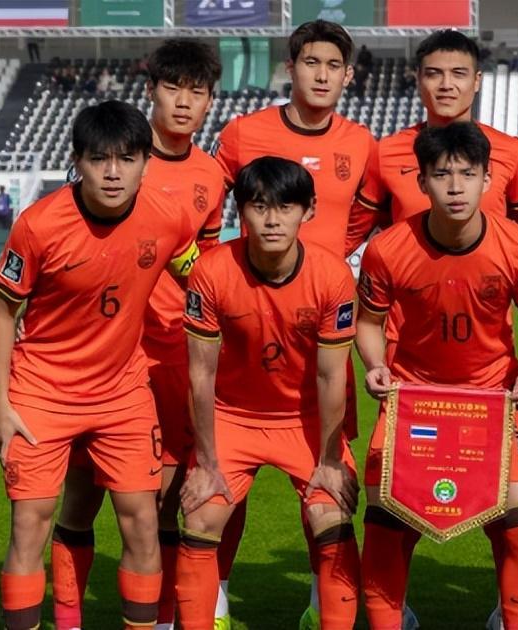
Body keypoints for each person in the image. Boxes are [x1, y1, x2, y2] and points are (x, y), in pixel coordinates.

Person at [0, 101, 201, 630]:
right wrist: (0, 406)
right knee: (29, 525)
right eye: (99, 159)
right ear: (77, 160)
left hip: (122, 394)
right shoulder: (39, 225)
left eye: (126, 159)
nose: (112, 172)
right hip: (41, 393)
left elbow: (201, 277)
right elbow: (1, 315)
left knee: (143, 523)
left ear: (146, 162)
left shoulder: (168, 217)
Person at [49, 40, 225, 630]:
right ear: (151, 90)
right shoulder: (115, 155)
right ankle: (68, 617)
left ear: (210, 101)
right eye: (172, 88)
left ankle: (164, 619)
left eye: (196, 92)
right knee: (81, 495)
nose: (183, 102)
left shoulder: (212, 176)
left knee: (163, 503)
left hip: (172, 356)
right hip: (101, 358)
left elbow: (207, 270)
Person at [210, 20, 378, 629]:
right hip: (247, 328)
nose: (321, 75)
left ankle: (319, 603)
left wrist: (323, 267)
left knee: (325, 486)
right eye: (310, 62)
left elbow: (364, 217)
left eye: (333, 65)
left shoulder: (361, 143)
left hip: (321, 328)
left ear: (349, 75)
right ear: (291, 68)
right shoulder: (243, 133)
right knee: (224, 489)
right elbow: (208, 207)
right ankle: (215, 601)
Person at [355, 122, 518, 630]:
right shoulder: (387, 249)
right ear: (422, 182)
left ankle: (515, 618)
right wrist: (375, 366)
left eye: (468, 174)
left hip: (496, 400)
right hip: (414, 401)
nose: (456, 187)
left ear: (488, 179)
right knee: (384, 521)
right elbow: (369, 324)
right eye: (442, 175)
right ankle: (391, 620)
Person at [175, 157, 361, 630]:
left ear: (309, 210)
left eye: (285, 207)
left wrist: (330, 459)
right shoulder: (212, 271)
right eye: (259, 206)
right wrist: (206, 462)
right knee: (200, 516)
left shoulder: (333, 276)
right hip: (233, 416)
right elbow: (200, 372)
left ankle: (323, 616)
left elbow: (331, 377)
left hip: (305, 418)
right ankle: (210, 619)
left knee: (331, 515)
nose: (272, 220)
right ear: (240, 211)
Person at [353, 29, 518, 229]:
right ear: (418, 79)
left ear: (477, 81)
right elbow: (354, 232)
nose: (446, 85)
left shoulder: (511, 151)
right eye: (434, 74)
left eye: (458, 74)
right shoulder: (386, 152)